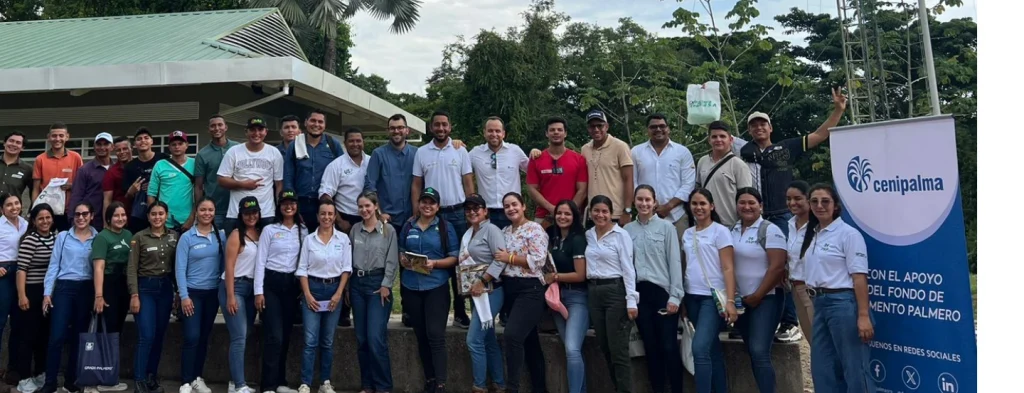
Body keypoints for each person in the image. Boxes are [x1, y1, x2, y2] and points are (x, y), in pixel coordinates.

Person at [732, 88, 847, 342]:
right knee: (762, 268)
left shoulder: (786, 147)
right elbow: (718, 134)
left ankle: (790, 321)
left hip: (783, 215)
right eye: (753, 125)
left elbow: (819, 135)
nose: (758, 128)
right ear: (749, 130)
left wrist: (838, 110)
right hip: (757, 218)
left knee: (786, 266)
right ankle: (766, 319)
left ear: (770, 128)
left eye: (763, 124)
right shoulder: (745, 151)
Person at [800, 183, 874, 393]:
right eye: (814, 201)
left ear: (835, 205)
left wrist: (863, 315)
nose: (819, 206)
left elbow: (859, 278)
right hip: (819, 304)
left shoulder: (848, 235)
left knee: (855, 368)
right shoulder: (813, 234)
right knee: (823, 368)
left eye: (825, 201)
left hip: (842, 303)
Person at [412, 110, 474, 329]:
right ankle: (430, 310)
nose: (440, 128)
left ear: (450, 127)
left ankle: (460, 311)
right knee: (432, 261)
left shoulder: (460, 151)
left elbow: (468, 183)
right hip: (431, 214)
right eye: (436, 125)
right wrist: (416, 213)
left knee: (458, 262)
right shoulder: (421, 152)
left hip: (457, 214)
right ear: (431, 127)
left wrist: (471, 213)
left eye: (444, 125)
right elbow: (417, 185)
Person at [623, 185, 684, 393]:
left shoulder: (667, 228)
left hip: (662, 293)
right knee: (650, 347)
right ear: (634, 201)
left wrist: (675, 296)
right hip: (640, 294)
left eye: (648, 200)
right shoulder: (627, 231)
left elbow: (675, 262)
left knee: (668, 345)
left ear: (654, 202)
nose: (644, 204)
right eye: (640, 199)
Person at [398, 187, 458, 393]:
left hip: (436, 286)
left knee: (435, 334)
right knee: (421, 335)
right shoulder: (409, 225)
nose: (427, 205)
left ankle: (441, 383)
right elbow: (400, 250)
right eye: (424, 201)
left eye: (431, 202)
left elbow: (454, 257)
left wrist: (436, 264)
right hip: (411, 285)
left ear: (438, 206)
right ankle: (430, 378)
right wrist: (403, 260)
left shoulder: (445, 227)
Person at [731, 187, 788, 393]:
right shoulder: (733, 230)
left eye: (752, 203)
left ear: (761, 206)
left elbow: (777, 267)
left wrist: (758, 295)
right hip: (742, 301)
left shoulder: (770, 230)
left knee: (759, 350)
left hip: (767, 298)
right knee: (752, 351)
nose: (747, 207)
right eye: (742, 203)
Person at [491, 192, 549, 393]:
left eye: (514, 204)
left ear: (524, 206)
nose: (511, 209)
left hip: (529, 289)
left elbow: (538, 261)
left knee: (512, 335)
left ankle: (512, 388)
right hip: (510, 289)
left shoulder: (534, 229)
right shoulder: (505, 231)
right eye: (506, 206)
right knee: (530, 341)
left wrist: (511, 258)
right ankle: (540, 387)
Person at [39, 202, 98, 393]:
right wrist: (47, 293)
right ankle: (50, 382)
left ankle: (71, 380)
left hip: (86, 288)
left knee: (79, 337)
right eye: (77, 214)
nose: (81, 218)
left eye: (85, 214)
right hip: (64, 288)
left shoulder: (98, 238)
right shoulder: (63, 237)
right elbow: (54, 266)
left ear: (91, 216)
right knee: (56, 336)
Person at [681, 188, 737, 393]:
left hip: (712, 298)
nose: (698, 208)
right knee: (712, 349)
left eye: (703, 203)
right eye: (694, 204)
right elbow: (687, 265)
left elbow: (728, 267)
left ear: (712, 206)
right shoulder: (688, 233)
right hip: (692, 296)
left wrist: (730, 301)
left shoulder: (720, 232)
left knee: (699, 348)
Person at [295, 201, 352, 393]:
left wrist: (338, 293)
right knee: (310, 340)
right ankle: (305, 383)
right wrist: (308, 295)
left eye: (330, 214)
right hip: (313, 289)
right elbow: (302, 269)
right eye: (323, 214)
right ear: (318, 216)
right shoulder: (309, 240)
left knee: (327, 341)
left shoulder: (343, 239)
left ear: (335, 216)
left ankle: (325, 382)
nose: (326, 217)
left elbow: (346, 269)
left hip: (333, 290)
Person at [583, 195, 638, 393]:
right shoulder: (588, 234)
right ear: (590, 213)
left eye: (604, 211)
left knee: (618, 351)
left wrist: (631, 301)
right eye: (596, 210)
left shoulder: (620, 235)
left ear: (611, 213)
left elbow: (628, 268)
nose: (600, 215)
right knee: (604, 346)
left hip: (615, 291)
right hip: (594, 292)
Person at [255, 190, 307, 393]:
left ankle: (280, 382)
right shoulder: (269, 230)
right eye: (284, 203)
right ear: (279, 206)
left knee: (286, 335)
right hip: (272, 284)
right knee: (274, 335)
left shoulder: (303, 230)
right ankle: (267, 384)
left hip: (291, 285)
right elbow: (260, 261)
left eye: (292, 203)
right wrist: (259, 291)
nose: (288, 206)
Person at [349, 191, 399, 393]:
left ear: (376, 206)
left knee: (375, 339)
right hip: (357, 285)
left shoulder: (388, 231)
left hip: (378, 285)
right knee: (361, 339)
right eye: (360, 206)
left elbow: (392, 260)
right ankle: (367, 385)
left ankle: (384, 386)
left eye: (367, 206)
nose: (364, 210)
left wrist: (387, 284)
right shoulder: (355, 230)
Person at [458, 194, 507, 393]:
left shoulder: (492, 230)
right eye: (468, 209)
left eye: (476, 208)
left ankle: (479, 386)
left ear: (485, 211)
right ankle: (499, 384)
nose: (472, 212)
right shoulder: (469, 233)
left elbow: (501, 259)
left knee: (474, 340)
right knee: (487, 339)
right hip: (477, 291)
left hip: (491, 289)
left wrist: (483, 280)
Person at [175, 198, 224, 393]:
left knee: (204, 337)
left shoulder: (220, 236)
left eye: (210, 210)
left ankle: (197, 378)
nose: (206, 213)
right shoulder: (187, 237)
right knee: (192, 336)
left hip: (212, 294)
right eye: (203, 210)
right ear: (196, 212)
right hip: (192, 293)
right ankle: (185, 381)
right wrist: (184, 295)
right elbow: (179, 268)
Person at [128, 201, 178, 393]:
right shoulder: (139, 237)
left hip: (165, 289)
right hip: (145, 288)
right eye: (154, 214)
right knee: (146, 336)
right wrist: (134, 294)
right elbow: (132, 268)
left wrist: (178, 292)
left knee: (158, 336)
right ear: (148, 217)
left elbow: (176, 266)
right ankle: (139, 380)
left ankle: (151, 377)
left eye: (161, 214)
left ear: (167, 215)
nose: (157, 217)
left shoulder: (174, 236)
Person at [544, 200, 588, 393]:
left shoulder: (578, 239)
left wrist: (555, 276)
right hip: (557, 300)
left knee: (572, 349)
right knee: (572, 349)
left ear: (574, 216)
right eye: (559, 213)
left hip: (577, 297)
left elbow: (581, 274)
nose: (562, 217)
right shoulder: (552, 237)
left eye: (567, 214)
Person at [89, 202, 134, 393]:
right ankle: (104, 379)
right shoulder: (102, 237)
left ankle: (110, 376)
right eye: (116, 216)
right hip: (108, 284)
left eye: (123, 215)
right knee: (107, 330)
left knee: (116, 330)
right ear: (109, 218)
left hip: (123, 284)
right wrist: (99, 295)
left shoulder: (129, 235)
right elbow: (98, 267)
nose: (121, 219)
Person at [220, 196, 263, 393]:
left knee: (245, 334)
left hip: (251, 289)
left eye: (254, 212)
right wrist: (229, 296)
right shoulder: (237, 235)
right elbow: (229, 267)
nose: (251, 216)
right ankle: (239, 385)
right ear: (241, 215)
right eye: (247, 213)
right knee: (239, 336)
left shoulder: (262, 233)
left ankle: (234, 379)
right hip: (234, 286)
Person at [631, 114, 696, 241]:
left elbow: (688, 184)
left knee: (680, 258)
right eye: (653, 127)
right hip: (647, 215)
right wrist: (648, 206)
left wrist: (668, 206)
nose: (658, 129)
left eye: (662, 126)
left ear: (669, 129)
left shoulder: (682, 152)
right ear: (647, 130)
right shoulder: (636, 152)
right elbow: (633, 182)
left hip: (677, 216)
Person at [13, 203, 55, 393]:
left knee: (43, 336)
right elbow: (21, 270)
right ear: (34, 221)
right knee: (27, 336)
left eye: (48, 217)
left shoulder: (56, 236)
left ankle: (40, 373)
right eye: (40, 218)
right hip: (31, 290)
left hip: (48, 293)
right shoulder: (30, 240)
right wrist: (22, 296)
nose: (45, 221)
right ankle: (24, 377)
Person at [217, 117, 284, 230]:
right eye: (252, 129)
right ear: (246, 132)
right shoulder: (234, 151)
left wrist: (278, 209)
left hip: (266, 213)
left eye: (260, 129)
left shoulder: (274, 153)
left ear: (266, 132)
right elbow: (221, 179)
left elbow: (279, 184)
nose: (256, 133)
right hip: (237, 213)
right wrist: (243, 184)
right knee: (236, 246)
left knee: (266, 247)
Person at [284, 110, 345, 230]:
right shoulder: (295, 145)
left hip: (325, 204)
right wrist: (291, 204)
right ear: (306, 122)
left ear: (325, 125)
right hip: (301, 204)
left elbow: (342, 174)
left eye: (320, 122)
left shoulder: (333, 144)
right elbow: (288, 176)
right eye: (313, 120)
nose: (316, 124)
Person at [526, 117, 588, 229]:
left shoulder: (579, 159)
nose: (556, 132)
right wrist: (552, 209)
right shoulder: (536, 159)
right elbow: (532, 189)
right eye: (552, 130)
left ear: (565, 133)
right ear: (546, 133)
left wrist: (567, 210)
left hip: (571, 217)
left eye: (559, 130)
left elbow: (582, 190)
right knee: (541, 246)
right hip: (544, 217)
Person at [468, 117, 528, 229]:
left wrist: (536, 154)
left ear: (503, 133)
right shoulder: (475, 153)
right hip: (486, 213)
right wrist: (456, 145)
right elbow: (460, 170)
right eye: (490, 131)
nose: (494, 134)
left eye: (497, 131)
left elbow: (532, 171)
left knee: (513, 246)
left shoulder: (515, 151)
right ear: (484, 133)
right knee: (488, 246)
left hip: (512, 211)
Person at [581, 111, 634, 226]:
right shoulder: (585, 149)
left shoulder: (620, 146)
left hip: (615, 213)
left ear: (606, 126)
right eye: (592, 126)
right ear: (588, 129)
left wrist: (627, 210)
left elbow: (628, 179)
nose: (596, 129)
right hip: (593, 213)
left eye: (599, 125)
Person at [696, 121, 753, 228]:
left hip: (731, 224)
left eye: (722, 136)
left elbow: (746, 198)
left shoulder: (739, 165)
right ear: (709, 140)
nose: (718, 140)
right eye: (714, 137)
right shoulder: (702, 161)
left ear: (730, 140)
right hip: (706, 224)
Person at [33, 123, 84, 232]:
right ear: (48, 137)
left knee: (67, 241)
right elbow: (36, 188)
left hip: (69, 210)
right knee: (45, 242)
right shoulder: (40, 159)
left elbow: (82, 183)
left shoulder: (76, 157)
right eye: (54, 136)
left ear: (67, 137)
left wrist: (72, 186)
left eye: (61, 135)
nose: (57, 139)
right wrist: (35, 209)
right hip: (47, 211)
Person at [0, 192, 27, 393]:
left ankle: (13, 370)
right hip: (3, 273)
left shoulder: (26, 224)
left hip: (22, 273)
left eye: (17, 203)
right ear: (2, 209)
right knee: (0, 323)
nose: (14, 207)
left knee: (19, 323)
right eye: (9, 205)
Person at [319, 127, 369, 234]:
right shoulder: (336, 165)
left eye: (358, 141)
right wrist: (340, 221)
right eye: (351, 141)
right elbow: (325, 195)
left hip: (369, 217)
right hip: (346, 219)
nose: (355, 144)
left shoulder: (372, 162)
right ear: (345, 143)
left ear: (363, 142)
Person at [194, 115, 240, 229]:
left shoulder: (238, 148)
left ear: (226, 127)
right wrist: (199, 209)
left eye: (220, 125)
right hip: (215, 210)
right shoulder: (202, 154)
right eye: (213, 126)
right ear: (208, 129)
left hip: (237, 207)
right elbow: (198, 186)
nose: (216, 128)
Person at [148, 131, 196, 232]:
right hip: (164, 221)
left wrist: (192, 218)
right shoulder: (160, 165)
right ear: (169, 147)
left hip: (188, 221)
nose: (177, 147)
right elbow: (151, 194)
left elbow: (199, 192)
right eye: (173, 144)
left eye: (180, 144)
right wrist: (154, 218)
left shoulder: (195, 164)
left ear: (186, 145)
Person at [125, 127, 169, 234]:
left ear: (151, 141)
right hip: (139, 215)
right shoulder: (130, 167)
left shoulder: (163, 159)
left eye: (146, 138)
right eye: (139, 139)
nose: (143, 141)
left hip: (162, 211)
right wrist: (132, 191)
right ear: (135, 144)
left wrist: (154, 186)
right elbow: (127, 196)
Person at [786, 181, 814, 343]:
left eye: (797, 198)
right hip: (795, 288)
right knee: (811, 341)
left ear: (808, 200)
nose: (792, 203)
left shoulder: (818, 226)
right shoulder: (790, 225)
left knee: (821, 342)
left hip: (812, 290)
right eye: (788, 199)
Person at [69, 132, 114, 231]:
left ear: (112, 147)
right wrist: (73, 220)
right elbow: (76, 197)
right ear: (94, 147)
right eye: (99, 144)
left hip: (114, 221)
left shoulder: (116, 169)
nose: (102, 147)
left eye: (106, 144)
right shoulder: (84, 170)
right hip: (91, 223)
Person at [103, 136, 134, 216]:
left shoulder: (139, 166)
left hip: (140, 214)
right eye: (118, 150)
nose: (122, 152)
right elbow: (107, 200)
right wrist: (107, 224)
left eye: (125, 149)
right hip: (120, 216)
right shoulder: (111, 172)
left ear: (131, 148)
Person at [1, 131, 32, 200]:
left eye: (18, 143)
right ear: (4, 143)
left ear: (22, 148)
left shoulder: (28, 169)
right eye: (11, 141)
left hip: (11, 209)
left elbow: (34, 191)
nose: (13, 144)